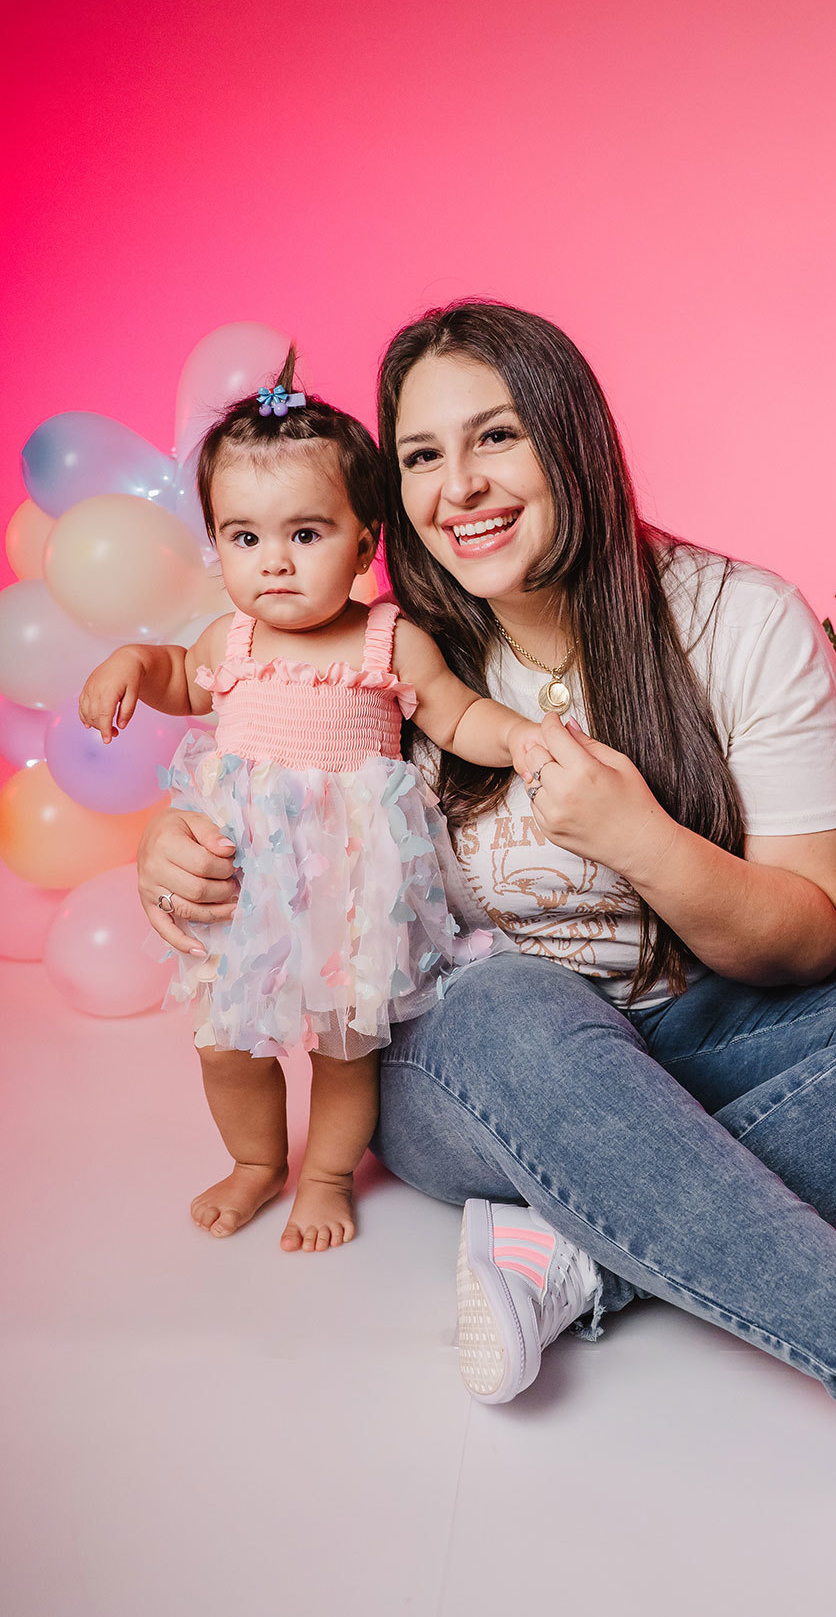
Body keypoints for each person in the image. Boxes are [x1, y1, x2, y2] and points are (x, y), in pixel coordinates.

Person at [138, 304, 836, 1615]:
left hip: (702, 1019)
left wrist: (640, 838)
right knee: (514, 999)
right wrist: (173, 848)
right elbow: (259, 779)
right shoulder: (392, 641)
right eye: (420, 456)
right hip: (471, 1057)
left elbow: (812, 929)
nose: (457, 486)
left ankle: (567, 1252)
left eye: (496, 437)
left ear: (573, 439)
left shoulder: (738, 622)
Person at [84, 355, 540, 1253]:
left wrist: (521, 739)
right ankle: (258, 1161)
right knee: (226, 1041)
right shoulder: (234, 637)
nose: (275, 563)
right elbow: (182, 676)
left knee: (345, 1045)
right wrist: (133, 663)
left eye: (306, 534)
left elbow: (457, 714)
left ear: (366, 543)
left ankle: (328, 1172)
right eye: (244, 539)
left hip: (349, 887)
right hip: (241, 881)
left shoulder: (387, 638)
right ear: (217, 542)